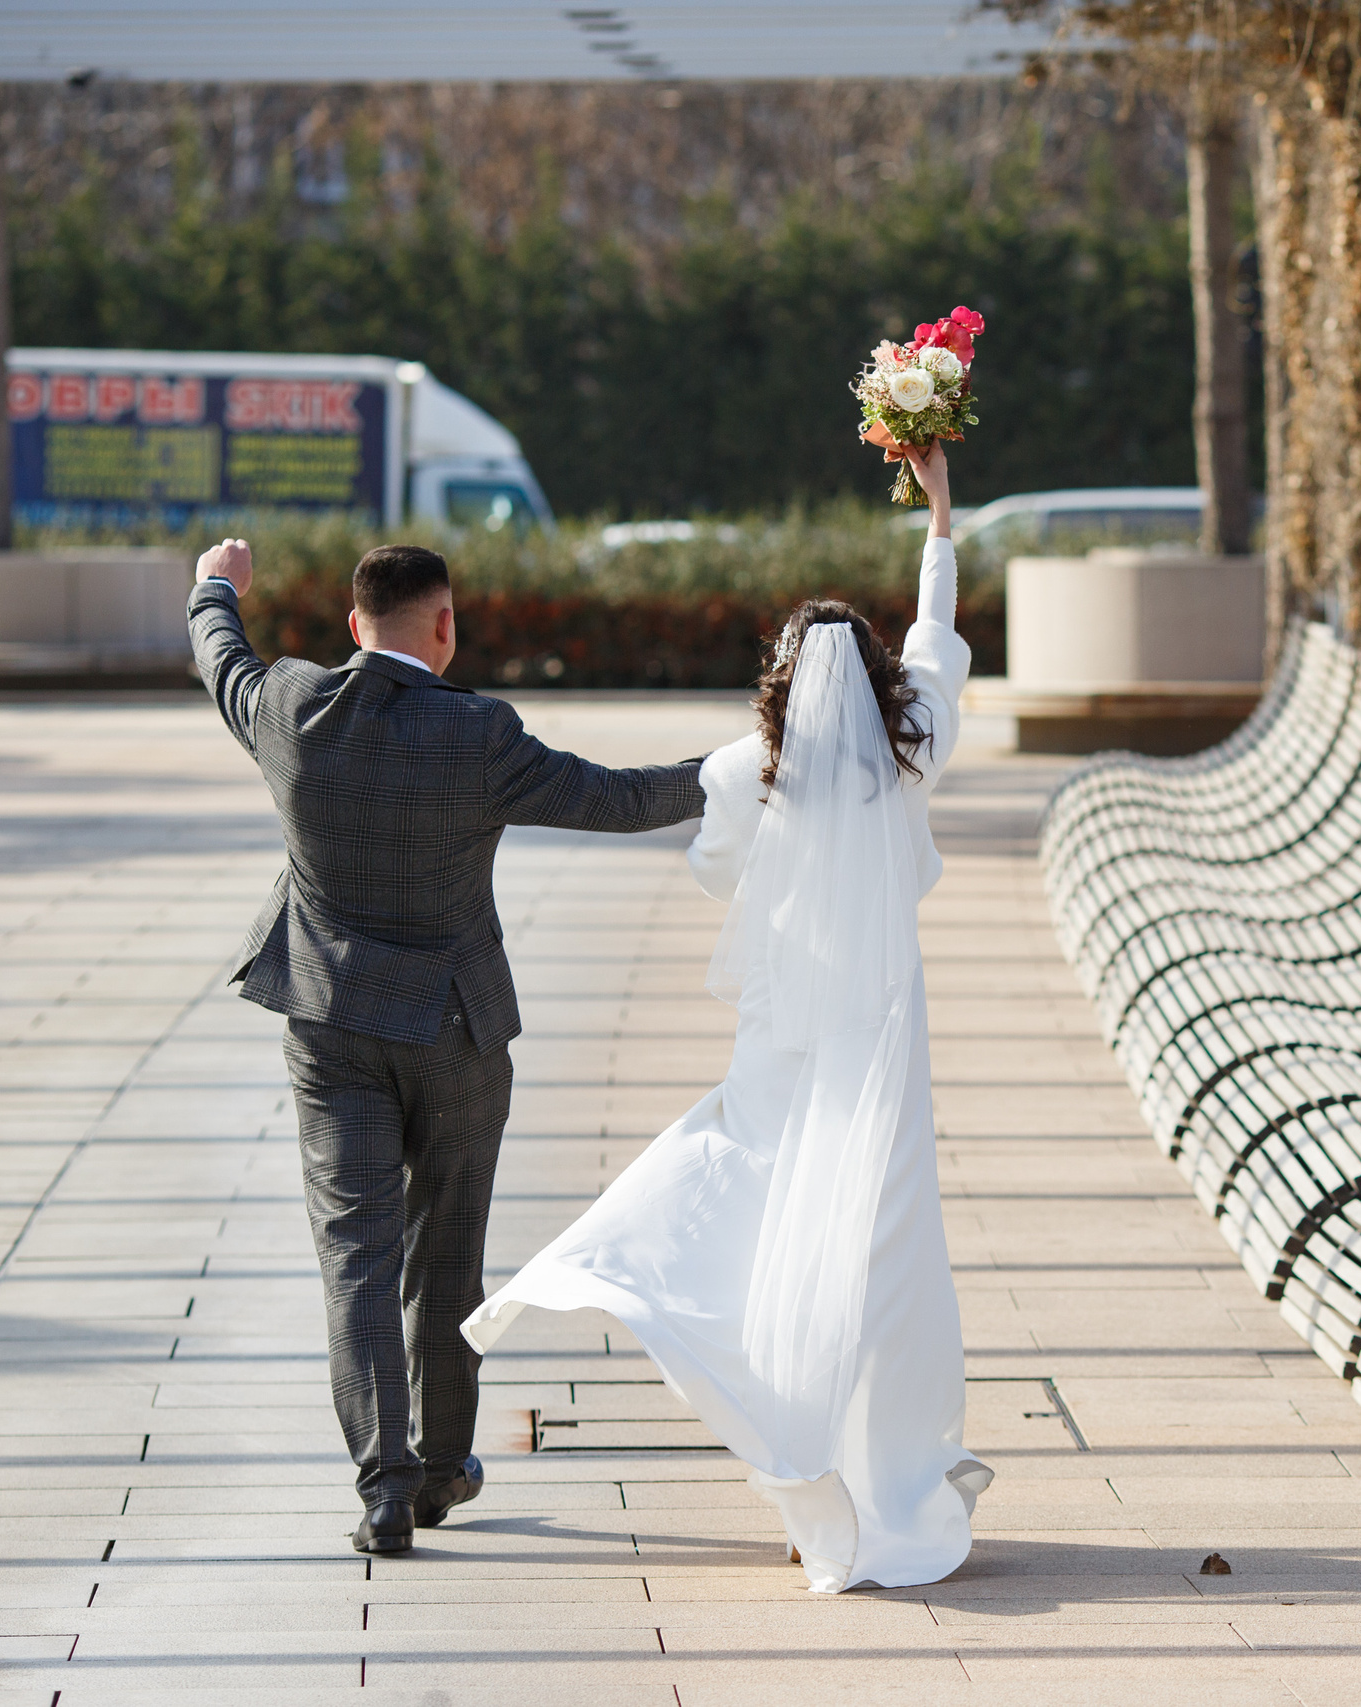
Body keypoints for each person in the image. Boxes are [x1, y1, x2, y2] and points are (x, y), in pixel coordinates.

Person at [463, 442, 988, 1593]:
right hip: (886, 1041)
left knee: (751, 1199)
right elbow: (937, 646)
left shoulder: (739, 770)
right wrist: (937, 514)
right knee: (885, 1246)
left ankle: (744, 1393)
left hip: (784, 1034)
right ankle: (890, 1479)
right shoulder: (914, 752)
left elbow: (716, 877)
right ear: (875, 684)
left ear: (782, 679)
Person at [187, 539, 707, 1557]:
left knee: (355, 1255)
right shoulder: (478, 732)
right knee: (446, 1249)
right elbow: (617, 799)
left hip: (333, 1025)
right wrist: (740, 770)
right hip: (456, 1031)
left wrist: (218, 585)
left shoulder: (292, 707)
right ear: (445, 624)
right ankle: (439, 1468)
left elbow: (221, 659)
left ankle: (382, 1488)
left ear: (351, 626)